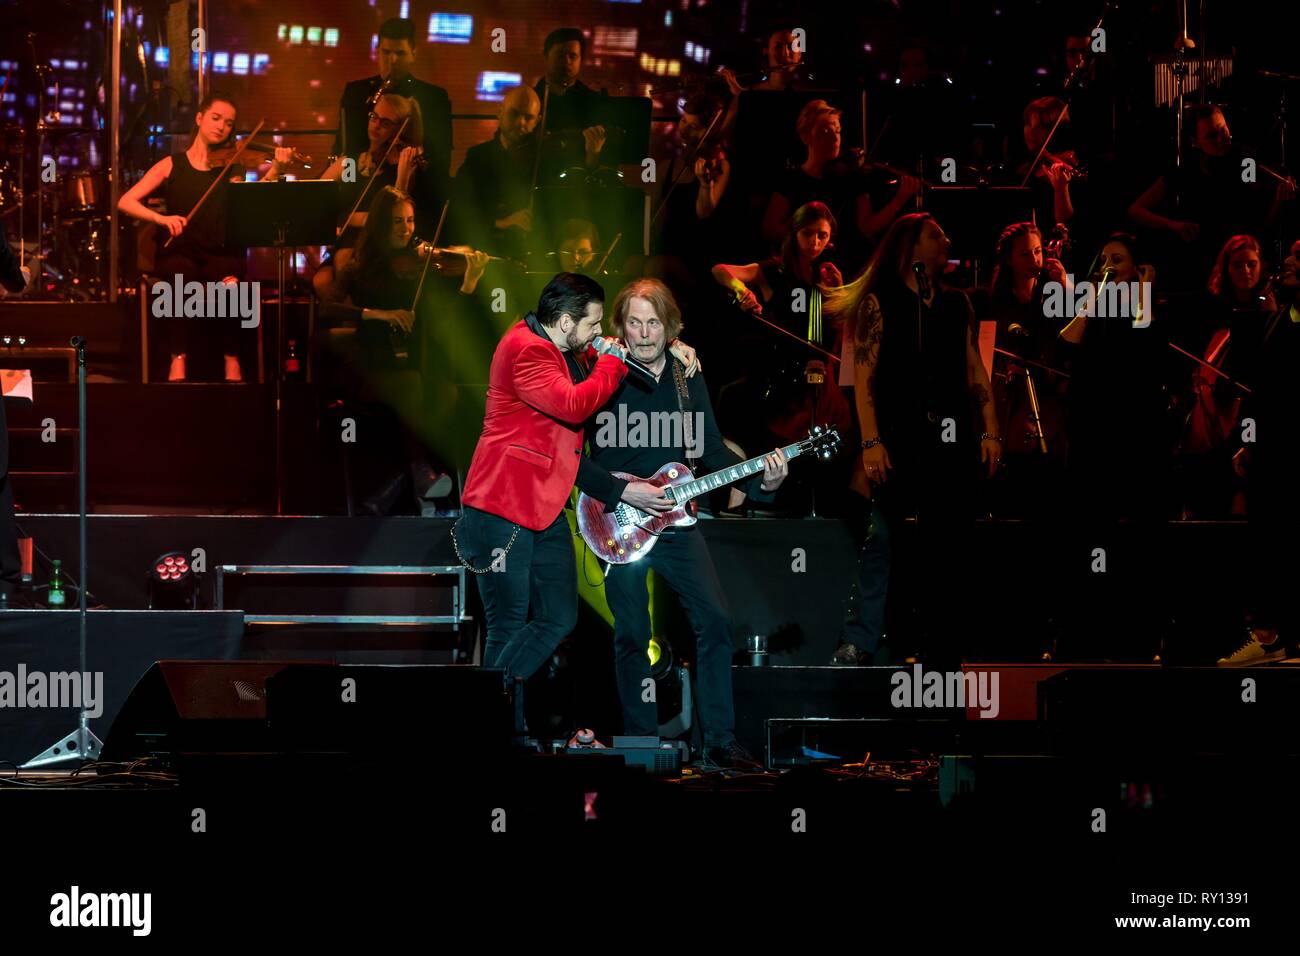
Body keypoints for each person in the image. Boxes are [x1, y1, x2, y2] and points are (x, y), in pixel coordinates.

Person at [579, 279, 787, 769]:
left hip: (675, 522)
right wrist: (621, 491)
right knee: (632, 632)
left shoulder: (685, 374)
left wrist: (763, 484)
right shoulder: (604, 370)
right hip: (617, 519)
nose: (645, 333)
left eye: (654, 323)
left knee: (716, 621)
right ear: (620, 327)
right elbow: (572, 452)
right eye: (634, 321)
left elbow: (711, 451)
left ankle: (718, 741)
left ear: (670, 328)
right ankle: (640, 746)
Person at [825, 213, 1002, 665]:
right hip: (900, 441)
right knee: (886, 537)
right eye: (935, 234)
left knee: (949, 541)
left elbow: (973, 367)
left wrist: (990, 428)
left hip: (953, 440)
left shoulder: (956, 302)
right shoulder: (880, 301)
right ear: (911, 247)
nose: (946, 240)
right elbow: (863, 379)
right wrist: (871, 442)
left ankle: (943, 642)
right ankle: (871, 638)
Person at [118, 90, 286, 382]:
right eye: (216, 118)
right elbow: (126, 201)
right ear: (199, 118)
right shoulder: (172, 165)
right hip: (181, 251)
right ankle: (178, 357)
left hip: (219, 253)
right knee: (182, 279)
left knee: (231, 286)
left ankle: (231, 359)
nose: (221, 126)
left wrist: (277, 169)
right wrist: (161, 218)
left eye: (229, 123)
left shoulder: (232, 166)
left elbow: (250, 202)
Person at [331, 17, 452, 189]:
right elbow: (346, 148)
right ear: (377, 51)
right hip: (359, 186)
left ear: (413, 54)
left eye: (400, 53)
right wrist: (350, 189)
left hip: (413, 190)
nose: (393, 60)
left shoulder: (434, 98)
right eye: (386, 52)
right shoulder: (355, 92)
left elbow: (441, 159)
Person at [452, 85, 542, 261]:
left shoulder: (541, 160)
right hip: (483, 251)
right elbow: (459, 208)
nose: (520, 123)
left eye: (528, 117)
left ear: (537, 121)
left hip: (527, 256)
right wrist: (502, 222)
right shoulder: (477, 156)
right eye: (514, 114)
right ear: (500, 111)